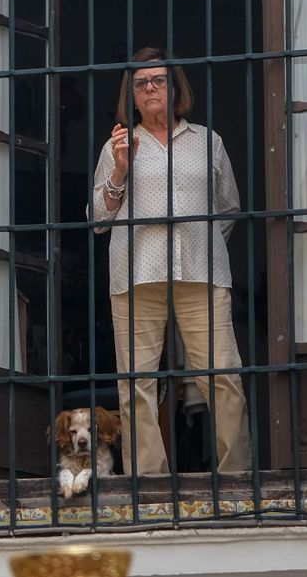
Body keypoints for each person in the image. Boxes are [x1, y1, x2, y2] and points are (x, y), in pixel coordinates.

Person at [89, 47, 249, 476]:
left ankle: (235, 476)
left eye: (158, 80)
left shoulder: (207, 142)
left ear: (175, 86)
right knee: (137, 384)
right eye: (141, 84)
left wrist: (205, 243)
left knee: (223, 375)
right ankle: (148, 481)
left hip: (201, 272)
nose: (151, 89)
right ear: (132, 96)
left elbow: (228, 209)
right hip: (137, 275)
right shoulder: (118, 146)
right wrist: (120, 173)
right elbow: (99, 220)